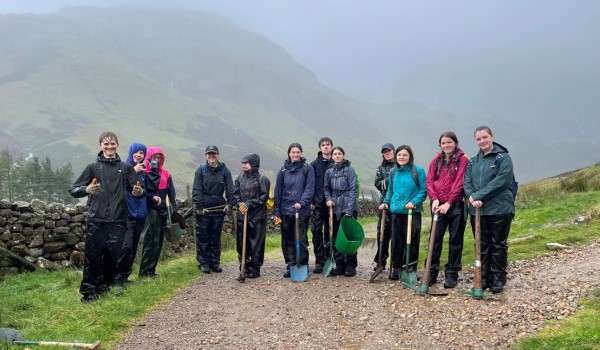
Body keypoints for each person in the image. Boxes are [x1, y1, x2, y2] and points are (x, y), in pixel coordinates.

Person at [69, 131, 145, 302]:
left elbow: (139, 190)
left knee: (112, 257)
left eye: (113, 144)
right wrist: (87, 190)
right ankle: (89, 292)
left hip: (118, 219)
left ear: (117, 145)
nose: (109, 147)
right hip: (97, 219)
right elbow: (74, 189)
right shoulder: (93, 167)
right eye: (106, 144)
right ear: (100, 145)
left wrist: (138, 191)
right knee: (92, 258)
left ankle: (106, 288)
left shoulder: (125, 168)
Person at [463, 126, 515, 294]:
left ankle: (498, 278)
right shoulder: (473, 161)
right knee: (481, 244)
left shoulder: (503, 157)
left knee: (498, 244)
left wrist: (478, 196)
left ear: (491, 136)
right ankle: (483, 277)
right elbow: (467, 182)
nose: (482, 141)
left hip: (500, 208)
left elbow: (501, 181)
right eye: (478, 139)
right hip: (478, 211)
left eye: (485, 137)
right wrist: (472, 196)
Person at [425, 132, 468, 288]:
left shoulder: (463, 160)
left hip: (456, 205)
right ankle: (431, 273)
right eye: (443, 143)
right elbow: (429, 181)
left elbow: (460, 182)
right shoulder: (436, 161)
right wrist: (434, 199)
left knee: (455, 241)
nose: (446, 145)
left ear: (456, 143)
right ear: (440, 145)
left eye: (449, 142)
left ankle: (451, 275)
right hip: (438, 205)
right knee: (434, 240)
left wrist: (449, 202)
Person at [379, 145, 427, 280]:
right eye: (399, 155)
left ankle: (410, 268)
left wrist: (414, 202)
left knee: (412, 241)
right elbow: (390, 191)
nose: (401, 157)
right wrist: (386, 202)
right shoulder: (393, 172)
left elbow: (423, 190)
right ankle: (397, 268)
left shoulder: (418, 171)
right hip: (396, 212)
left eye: (404, 155)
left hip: (412, 212)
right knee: (396, 241)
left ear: (410, 156)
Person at [273, 143, 315, 278]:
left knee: (301, 238)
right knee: (287, 240)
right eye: (293, 152)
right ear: (289, 154)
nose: (295, 154)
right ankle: (290, 264)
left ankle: (303, 263)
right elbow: (278, 192)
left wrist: (302, 203)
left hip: (301, 211)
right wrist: (277, 212)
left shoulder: (307, 169)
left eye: (298, 152)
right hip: (286, 210)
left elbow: (309, 188)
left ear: (301, 153)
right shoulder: (283, 171)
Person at [192, 145, 235, 274]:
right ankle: (204, 263)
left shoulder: (224, 171)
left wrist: (230, 204)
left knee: (215, 237)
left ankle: (215, 263)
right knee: (203, 237)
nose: (211, 156)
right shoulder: (200, 170)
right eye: (209, 154)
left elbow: (230, 189)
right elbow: (196, 190)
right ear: (206, 156)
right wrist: (199, 207)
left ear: (218, 155)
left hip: (219, 209)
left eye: (214, 154)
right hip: (204, 209)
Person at [139, 146, 176, 279]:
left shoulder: (166, 174)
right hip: (150, 211)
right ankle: (144, 271)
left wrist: (173, 209)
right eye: (154, 157)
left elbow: (171, 193)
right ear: (148, 158)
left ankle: (151, 270)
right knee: (150, 240)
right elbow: (143, 192)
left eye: (159, 157)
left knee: (159, 240)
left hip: (162, 211)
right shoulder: (144, 173)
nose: (157, 160)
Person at [115, 142, 148, 287]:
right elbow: (116, 186)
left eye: (142, 153)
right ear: (131, 152)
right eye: (136, 152)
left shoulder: (143, 172)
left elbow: (143, 192)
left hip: (139, 215)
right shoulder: (123, 168)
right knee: (125, 247)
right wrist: (133, 170)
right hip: (126, 214)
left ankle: (124, 277)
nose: (139, 155)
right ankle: (116, 279)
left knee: (133, 247)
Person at [233, 154, 270, 278]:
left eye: (246, 163)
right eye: (243, 163)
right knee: (241, 241)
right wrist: (240, 204)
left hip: (257, 216)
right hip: (242, 215)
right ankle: (244, 265)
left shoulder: (262, 179)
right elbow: (235, 194)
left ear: (253, 164)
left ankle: (255, 267)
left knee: (256, 243)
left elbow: (263, 197)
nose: (243, 165)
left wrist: (249, 203)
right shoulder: (239, 179)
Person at [324, 146, 359, 277]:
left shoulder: (349, 170)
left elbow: (353, 189)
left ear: (343, 155)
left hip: (348, 209)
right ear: (332, 156)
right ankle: (339, 264)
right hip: (335, 209)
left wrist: (349, 209)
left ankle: (351, 265)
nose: (337, 156)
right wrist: (328, 199)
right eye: (335, 154)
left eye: (339, 154)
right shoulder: (329, 172)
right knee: (336, 237)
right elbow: (326, 188)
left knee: (349, 238)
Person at [309, 137, 334, 274]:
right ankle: (319, 261)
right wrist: (311, 201)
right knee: (317, 233)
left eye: (328, 145)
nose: (325, 147)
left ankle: (330, 258)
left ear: (331, 146)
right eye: (323, 145)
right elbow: (310, 184)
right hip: (318, 204)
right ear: (320, 148)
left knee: (330, 233)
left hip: (332, 205)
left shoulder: (335, 162)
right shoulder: (313, 165)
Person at [373, 143, 395, 272]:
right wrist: (389, 181)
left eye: (389, 151)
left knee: (397, 233)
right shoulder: (380, 168)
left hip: (397, 202)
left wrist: (386, 182)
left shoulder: (400, 165)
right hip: (384, 203)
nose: (387, 153)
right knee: (382, 233)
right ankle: (380, 262)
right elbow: (378, 184)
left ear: (394, 151)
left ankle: (397, 262)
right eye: (385, 152)